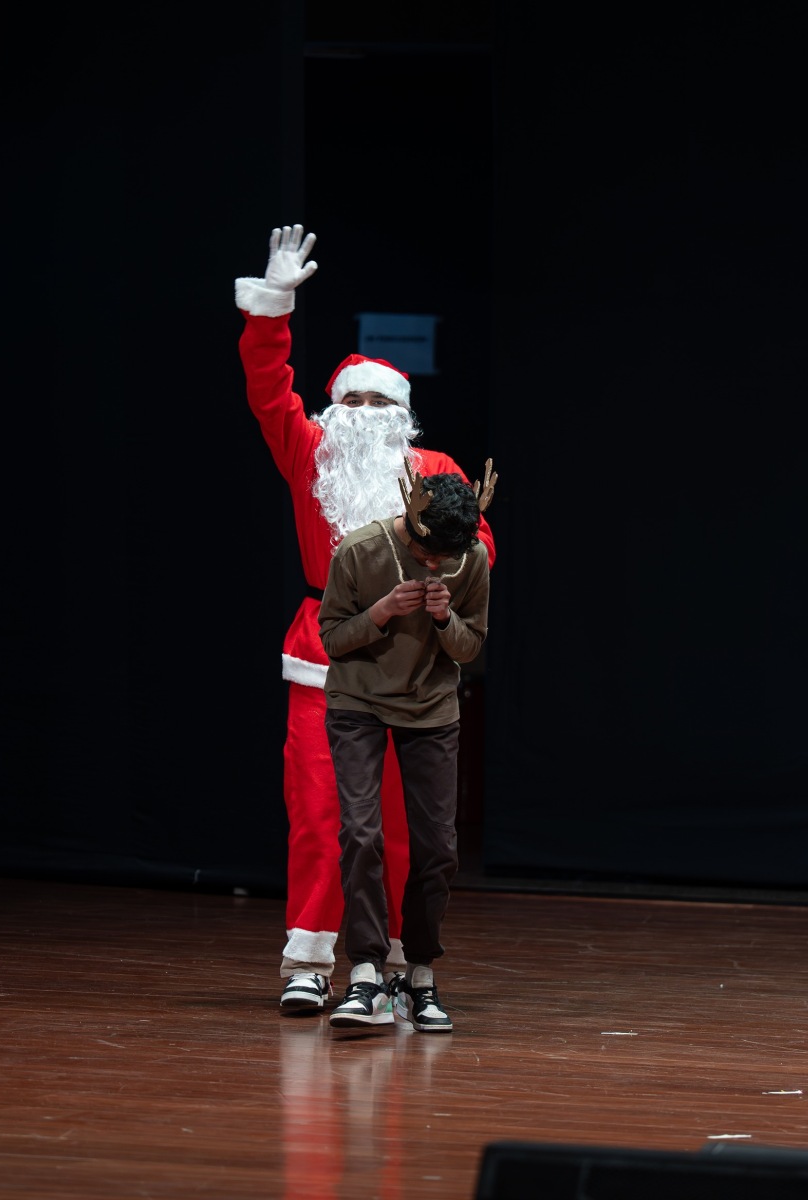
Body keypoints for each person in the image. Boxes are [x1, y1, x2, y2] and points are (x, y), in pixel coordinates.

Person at [235, 225, 497, 1011]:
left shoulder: (436, 470)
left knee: (401, 827)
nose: (362, 410)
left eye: (379, 400)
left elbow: (481, 544)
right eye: (350, 399)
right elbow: (266, 388)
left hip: (412, 659)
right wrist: (272, 309)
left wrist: (440, 579)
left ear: (403, 414)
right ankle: (311, 961)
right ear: (332, 409)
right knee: (321, 815)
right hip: (327, 655)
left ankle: (388, 965)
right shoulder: (311, 453)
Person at [317, 467, 492, 1032]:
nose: (434, 565)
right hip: (358, 701)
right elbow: (331, 638)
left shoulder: (471, 560)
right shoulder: (359, 550)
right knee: (361, 834)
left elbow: (470, 647)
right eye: (426, 553)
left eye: (445, 557)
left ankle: (418, 972)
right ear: (411, 524)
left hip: (432, 707)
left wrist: (443, 617)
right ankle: (366, 971)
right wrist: (383, 612)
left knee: (438, 847)